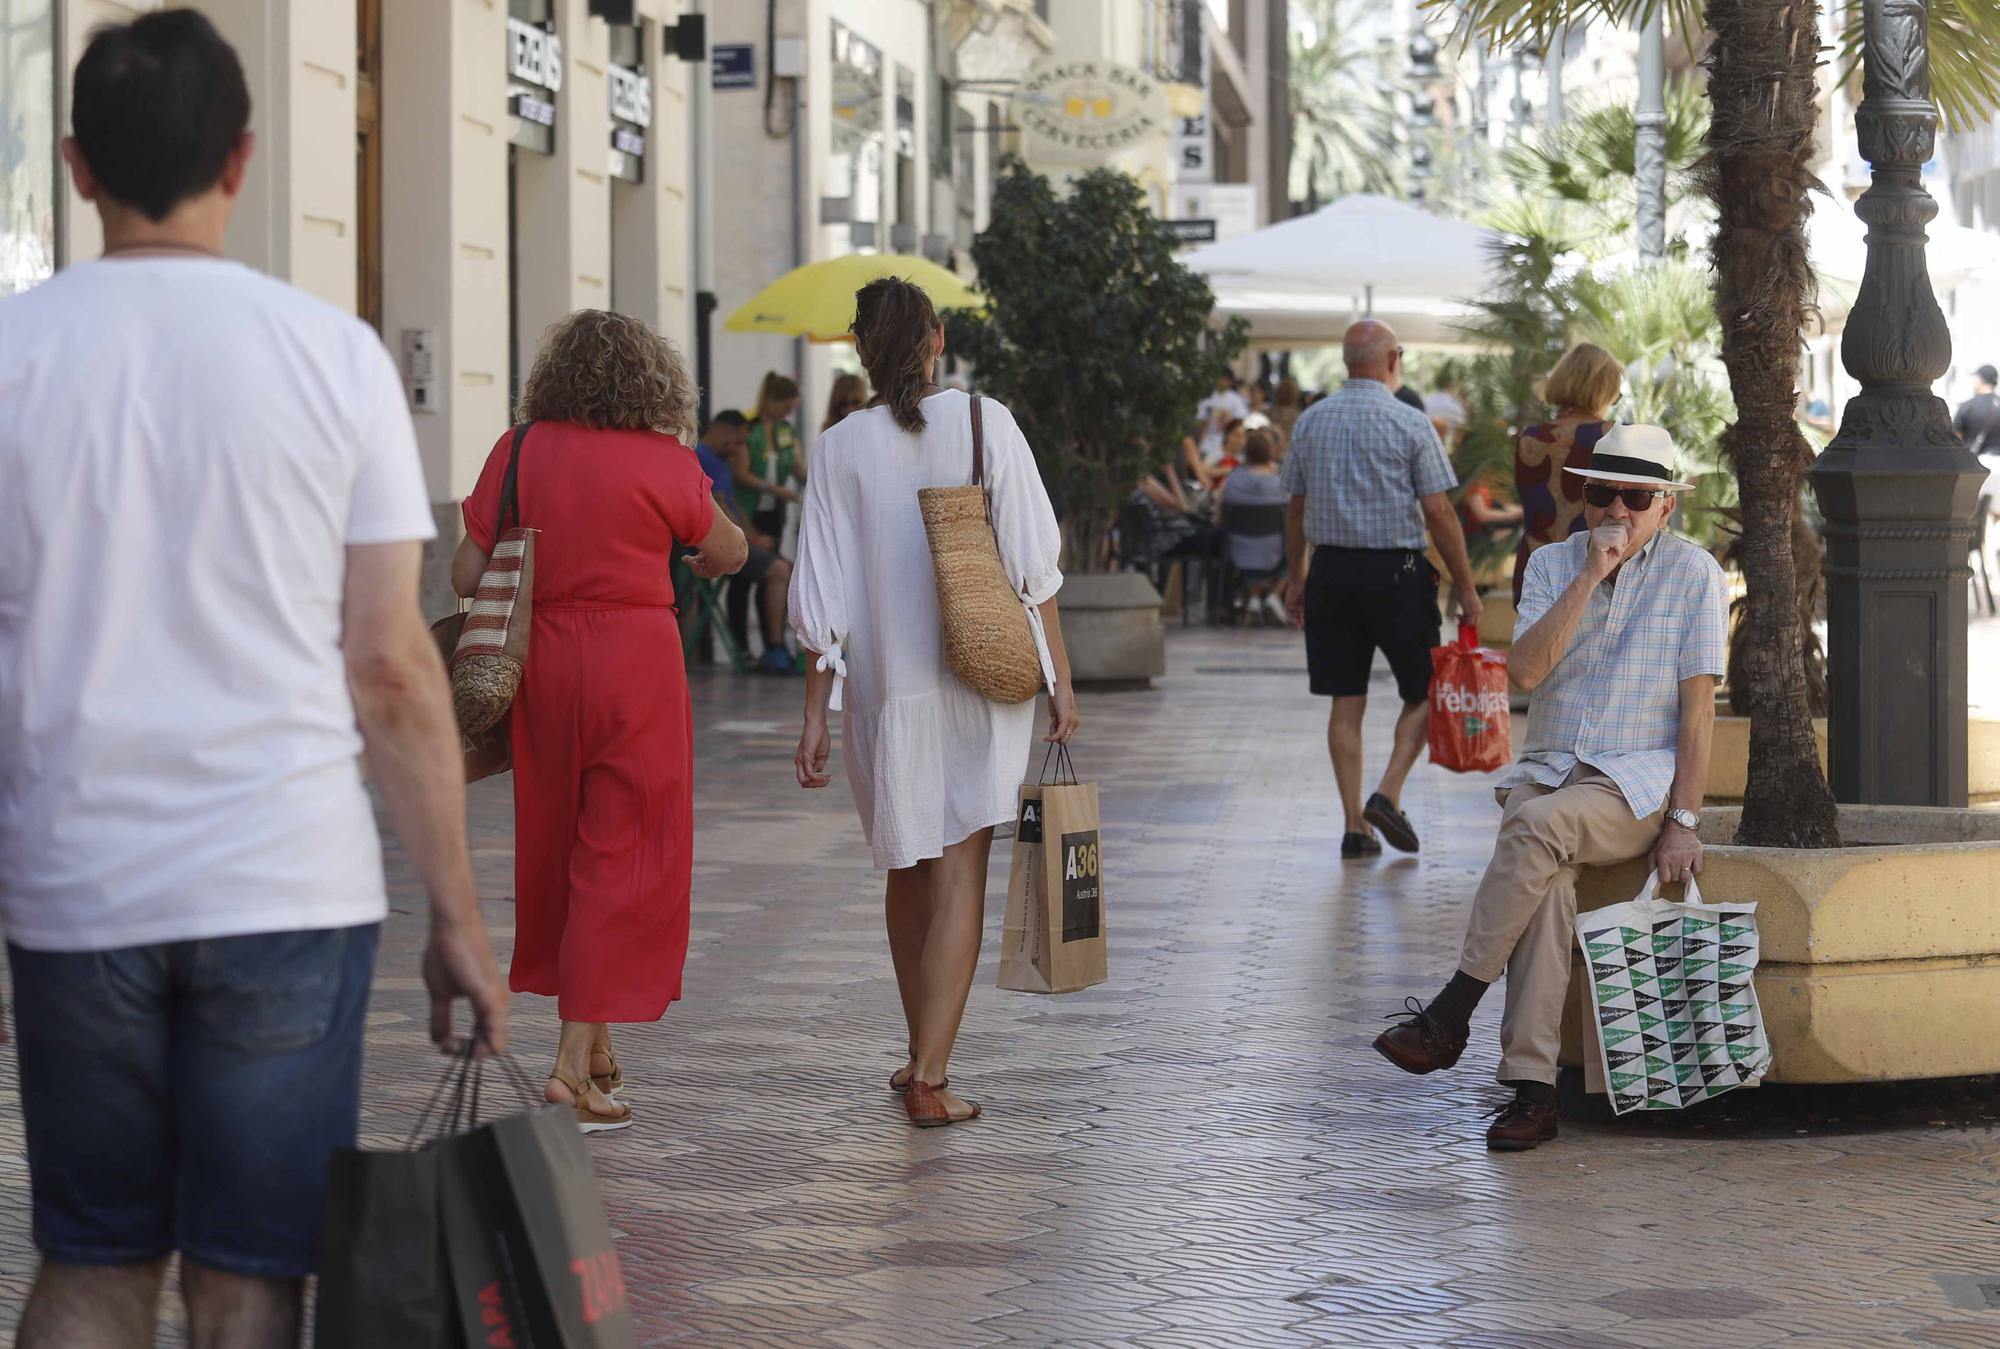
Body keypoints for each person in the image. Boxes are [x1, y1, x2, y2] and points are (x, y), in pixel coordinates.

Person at [0, 14, 510, 1345]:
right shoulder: (331, 357)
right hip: (283, 885)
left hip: (73, 882)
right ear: (241, 159)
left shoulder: (12, 362)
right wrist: (454, 913)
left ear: (76, 164)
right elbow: (395, 668)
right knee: (248, 1281)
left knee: (97, 1263)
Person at [1372, 425, 1727, 1152]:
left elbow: (1697, 714)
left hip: (1631, 785)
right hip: (1552, 769)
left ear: (1666, 506)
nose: (1615, 512)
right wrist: (1588, 578)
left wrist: (1685, 818)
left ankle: (1450, 1011)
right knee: (1547, 885)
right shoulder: (1553, 564)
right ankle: (1536, 1094)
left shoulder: (1696, 576)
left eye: (1634, 497)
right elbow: (1525, 671)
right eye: (1602, 494)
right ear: (1584, 496)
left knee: (1533, 830)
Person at [789, 277, 1079, 1128]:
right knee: (960, 868)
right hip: (981, 685)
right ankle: (930, 1072)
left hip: (886, 694)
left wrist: (816, 713)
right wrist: (1060, 677)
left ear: (860, 349)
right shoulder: (985, 421)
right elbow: (1034, 564)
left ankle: (922, 1052)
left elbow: (822, 599)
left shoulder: (840, 445)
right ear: (937, 339)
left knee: (906, 865)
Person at [454, 310, 747, 1134]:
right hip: (636, 664)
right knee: (622, 850)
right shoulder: (664, 459)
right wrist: (687, 552)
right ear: (651, 380)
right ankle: (568, 1065)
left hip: (541, 662)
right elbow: (729, 551)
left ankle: (601, 1049)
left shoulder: (517, 450)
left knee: (561, 840)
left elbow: (468, 567)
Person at [1282, 320, 1484, 860]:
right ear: (1393, 358)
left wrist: (1296, 577)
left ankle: (1354, 826)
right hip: (1397, 577)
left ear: (1347, 361)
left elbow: (1296, 508)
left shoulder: (1310, 422)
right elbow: (1439, 512)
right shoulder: (1411, 423)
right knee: (1427, 690)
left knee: (1345, 702)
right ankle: (1387, 792)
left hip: (1330, 574)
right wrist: (1467, 588)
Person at [1515, 343, 1622, 605]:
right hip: (1594, 571)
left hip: (1534, 566)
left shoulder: (1530, 438)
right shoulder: (1615, 437)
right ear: (1605, 387)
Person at [696, 410, 796, 674]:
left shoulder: (719, 461)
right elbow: (720, 508)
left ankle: (771, 645)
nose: (739, 449)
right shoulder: (703, 459)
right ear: (723, 431)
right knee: (780, 570)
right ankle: (775, 646)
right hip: (716, 543)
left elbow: (734, 507)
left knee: (782, 567)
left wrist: (754, 537)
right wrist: (751, 539)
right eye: (737, 442)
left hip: (732, 538)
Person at [1219, 429, 1291, 624]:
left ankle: (1253, 599)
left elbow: (1219, 516)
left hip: (1238, 549)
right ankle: (1274, 596)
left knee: (1253, 545)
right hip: (1274, 548)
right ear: (1271, 452)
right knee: (1296, 545)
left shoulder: (1232, 481)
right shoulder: (1281, 484)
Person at [735, 371, 802, 542]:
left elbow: (798, 468)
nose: (788, 414)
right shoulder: (748, 427)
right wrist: (774, 489)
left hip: (775, 510)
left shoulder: (786, 430)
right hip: (748, 508)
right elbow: (740, 473)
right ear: (770, 399)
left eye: (792, 409)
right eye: (786, 408)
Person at [1197, 370, 1249, 462]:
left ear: (1231, 382)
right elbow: (1202, 422)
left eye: (1226, 380)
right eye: (1221, 379)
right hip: (1207, 445)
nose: (1223, 383)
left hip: (1226, 446)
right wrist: (1200, 442)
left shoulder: (1235, 400)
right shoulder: (1208, 397)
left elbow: (1240, 421)